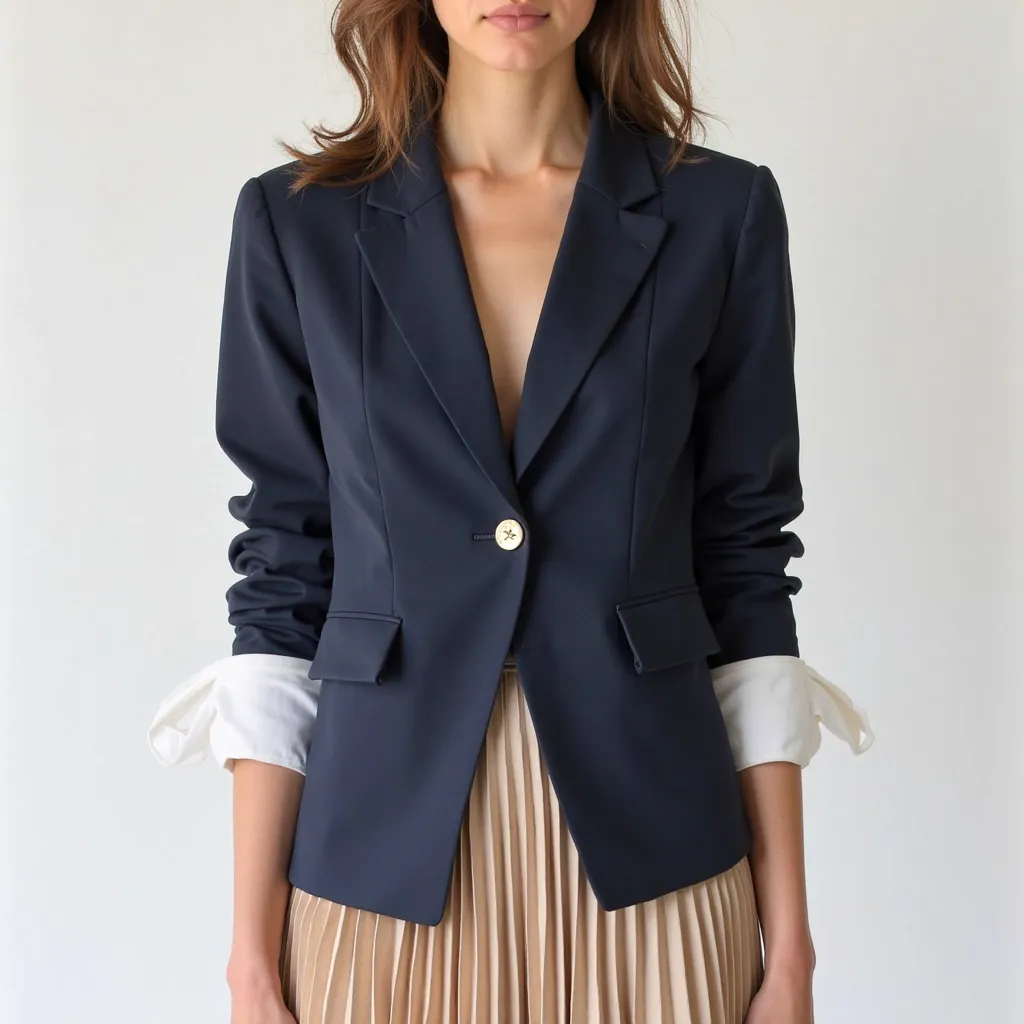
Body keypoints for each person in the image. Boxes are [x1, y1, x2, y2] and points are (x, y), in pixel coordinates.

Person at [148, 1, 874, 1021]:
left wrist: (789, 951)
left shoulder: (721, 215)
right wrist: (249, 960)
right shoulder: (297, 223)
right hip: (382, 864)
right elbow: (283, 575)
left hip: (655, 853)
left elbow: (745, 566)